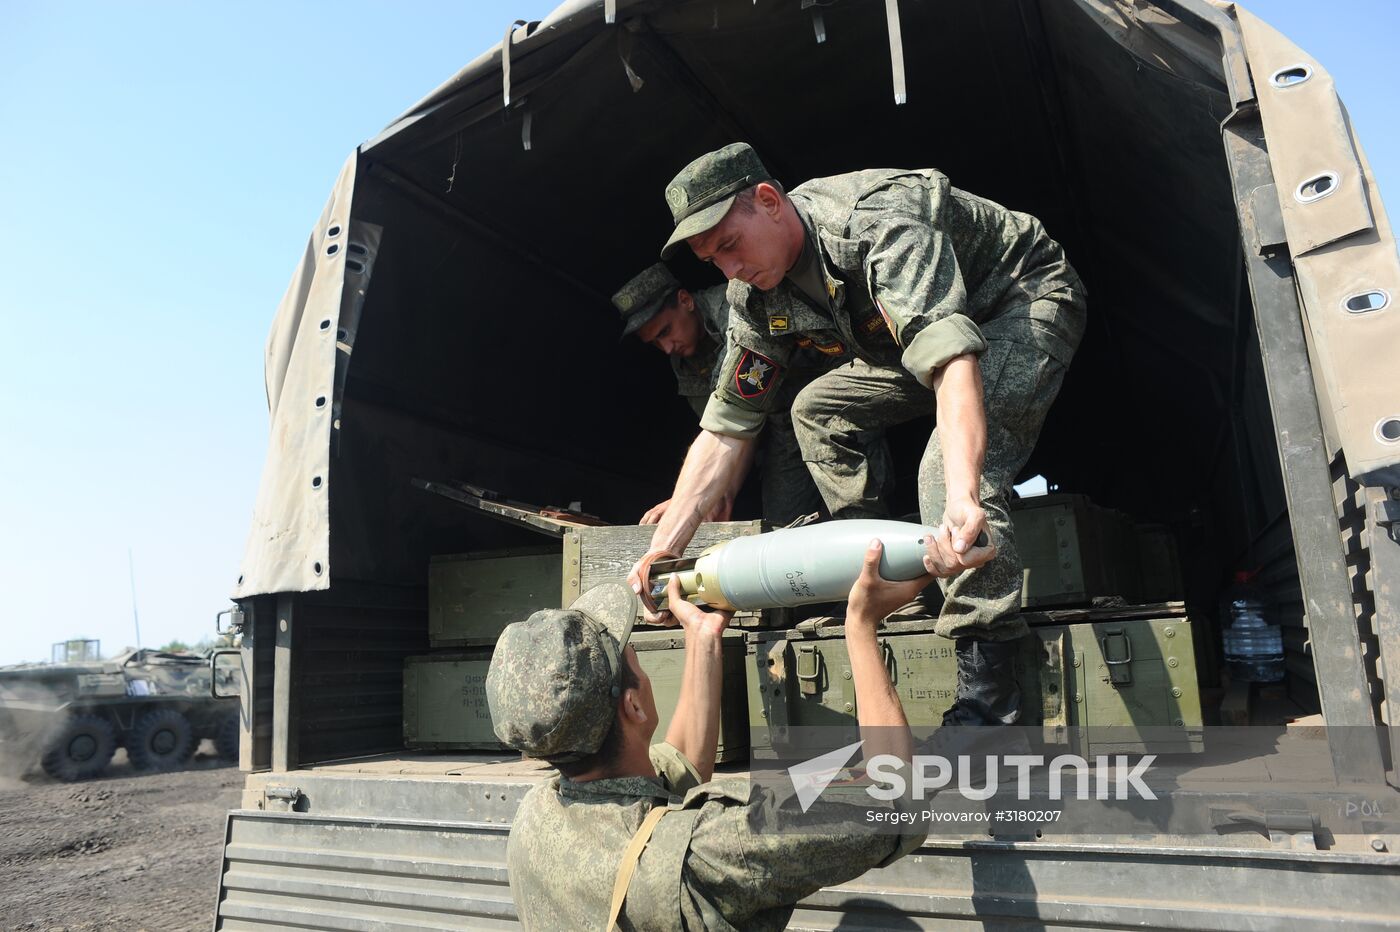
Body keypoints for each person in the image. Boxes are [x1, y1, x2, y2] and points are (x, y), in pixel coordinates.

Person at [629, 142, 1087, 728]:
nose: (729, 270)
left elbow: (950, 360)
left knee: (945, 473)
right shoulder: (756, 296)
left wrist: (962, 497)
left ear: (769, 202)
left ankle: (992, 688)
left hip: (1020, 303)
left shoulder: (875, 224)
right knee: (816, 409)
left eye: (730, 246)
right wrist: (665, 547)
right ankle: (895, 580)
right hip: (924, 343)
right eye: (712, 261)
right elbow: (727, 428)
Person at [486, 542, 931, 931]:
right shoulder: (715, 850)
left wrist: (702, 637)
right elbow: (897, 803)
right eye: (632, 653)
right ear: (634, 707)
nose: (637, 658)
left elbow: (680, 769)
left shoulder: (536, 818)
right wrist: (860, 625)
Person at [613, 262, 889, 527]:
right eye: (656, 343)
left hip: (830, 401)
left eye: (666, 331)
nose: (667, 347)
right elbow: (727, 431)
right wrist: (708, 495)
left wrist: (690, 499)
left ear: (685, 301)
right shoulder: (684, 362)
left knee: (860, 506)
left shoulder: (738, 308)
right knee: (782, 524)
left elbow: (738, 417)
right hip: (780, 428)